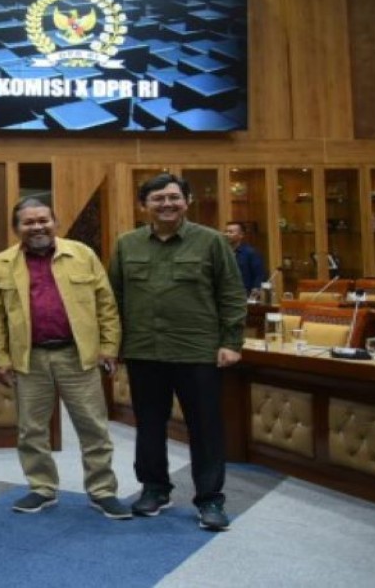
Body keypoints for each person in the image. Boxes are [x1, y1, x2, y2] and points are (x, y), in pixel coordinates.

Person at [109, 173, 246, 532]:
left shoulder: (212, 242)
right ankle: (154, 489)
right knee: (149, 426)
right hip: (144, 352)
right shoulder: (127, 245)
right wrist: (114, 345)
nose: (166, 204)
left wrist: (231, 342)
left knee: (206, 428)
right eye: (157, 199)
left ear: (186, 201)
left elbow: (231, 294)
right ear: (144, 206)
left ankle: (210, 500)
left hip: (197, 352)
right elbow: (114, 299)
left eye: (173, 197)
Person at [0, 198, 130, 520]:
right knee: (31, 429)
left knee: (93, 427)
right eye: (28, 222)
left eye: (43, 220)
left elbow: (106, 304)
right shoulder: (2, 263)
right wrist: (1, 358)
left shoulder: (82, 254)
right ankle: (41, 488)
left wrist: (109, 347)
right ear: (16, 228)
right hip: (29, 359)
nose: (37, 227)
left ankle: (102, 491)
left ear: (55, 221)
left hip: (77, 356)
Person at [224, 221, 265, 296]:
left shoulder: (250, 253)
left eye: (230, 232)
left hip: (244, 294)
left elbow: (259, 274)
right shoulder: (222, 252)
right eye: (226, 232)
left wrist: (256, 288)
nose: (227, 234)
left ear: (241, 235)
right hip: (224, 293)